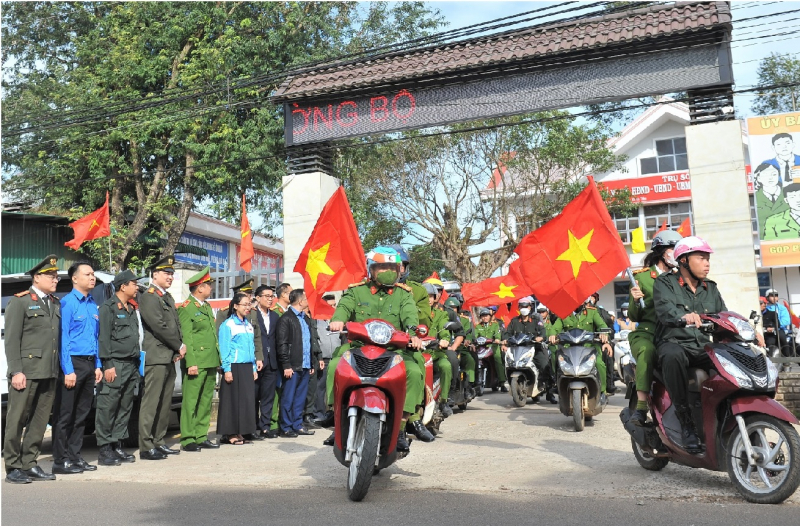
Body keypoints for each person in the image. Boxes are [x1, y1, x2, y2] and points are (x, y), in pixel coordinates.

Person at [323, 247, 424, 450]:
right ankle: (335, 416)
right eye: (382, 267)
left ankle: (402, 427)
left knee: (413, 371)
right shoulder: (356, 290)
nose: (388, 271)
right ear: (371, 269)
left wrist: (414, 332)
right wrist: (338, 320)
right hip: (359, 346)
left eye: (392, 267)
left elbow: (409, 314)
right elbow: (344, 307)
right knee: (335, 364)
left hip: (394, 350)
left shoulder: (403, 295)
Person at [653, 236, 726, 453]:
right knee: (672, 355)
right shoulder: (665, 283)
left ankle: (727, 417)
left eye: (708, 259)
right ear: (684, 260)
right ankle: (686, 422)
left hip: (702, 347)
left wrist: (748, 330)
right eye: (701, 258)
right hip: (675, 342)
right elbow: (666, 311)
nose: (707, 263)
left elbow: (723, 315)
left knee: (729, 359)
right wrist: (684, 316)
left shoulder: (710, 288)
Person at [3, 255, 61, 483]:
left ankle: (29, 463)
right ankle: (13, 466)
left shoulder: (54, 303)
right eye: (50, 276)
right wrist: (16, 371)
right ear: (37, 277)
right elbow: (12, 340)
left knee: (39, 421)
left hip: (49, 370)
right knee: (16, 420)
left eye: (56, 276)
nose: (55, 279)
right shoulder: (20, 301)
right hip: (26, 372)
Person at [626, 229, 683, 426]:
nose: (676, 254)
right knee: (647, 351)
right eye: (672, 249)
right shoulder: (642, 278)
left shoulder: (680, 278)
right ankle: (641, 407)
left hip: (674, 331)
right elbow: (634, 316)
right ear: (661, 252)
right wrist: (634, 300)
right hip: (648, 333)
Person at [52, 261, 102, 475]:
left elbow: (95, 338)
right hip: (72, 363)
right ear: (74, 278)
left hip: (89, 364)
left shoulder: (92, 304)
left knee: (82, 415)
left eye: (93, 274)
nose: (92, 277)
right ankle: (60, 460)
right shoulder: (67, 303)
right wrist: (68, 369)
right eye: (88, 274)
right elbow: (62, 339)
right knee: (65, 415)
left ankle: (75, 456)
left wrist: (98, 365)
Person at [138, 255, 185, 460]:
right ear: (154, 274)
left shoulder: (167, 297)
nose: (170, 277)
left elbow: (175, 325)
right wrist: (178, 345)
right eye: (167, 273)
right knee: (151, 403)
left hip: (168, 356)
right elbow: (159, 326)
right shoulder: (149, 297)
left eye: (172, 274)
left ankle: (158, 440)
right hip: (156, 355)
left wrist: (176, 350)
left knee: (164, 402)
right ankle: (146, 445)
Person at [95, 269, 143, 467]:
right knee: (108, 406)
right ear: (123, 286)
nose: (137, 286)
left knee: (125, 406)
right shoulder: (108, 308)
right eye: (134, 283)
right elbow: (104, 338)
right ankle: (105, 448)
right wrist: (107, 364)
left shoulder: (131, 308)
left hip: (131, 365)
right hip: (115, 364)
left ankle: (117, 444)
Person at [177, 266, 221, 452]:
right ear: (199, 288)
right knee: (191, 401)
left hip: (210, 360)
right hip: (197, 361)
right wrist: (191, 362)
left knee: (205, 401)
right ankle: (188, 438)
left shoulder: (206, 306)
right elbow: (187, 338)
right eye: (208, 285)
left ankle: (201, 435)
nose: (211, 288)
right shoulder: (186, 309)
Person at [276, 289, 323, 437]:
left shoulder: (305, 319)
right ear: (300, 301)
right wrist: (286, 365)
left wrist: (310, 363)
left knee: (300, 398)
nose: (308, 301)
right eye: (306, 298)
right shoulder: (286, 319)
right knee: (288, 397)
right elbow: (282, 344)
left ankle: (297, 424)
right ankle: (286, 426)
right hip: (292, 366)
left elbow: (309, 342)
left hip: (305, 364)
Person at [548, 297, 612, 398]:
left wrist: (604, 334)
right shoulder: (564, 314)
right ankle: (558, 384)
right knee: (557, 360)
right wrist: (552, 335)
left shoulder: (592, 313)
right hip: (568, 347)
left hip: (589, 347)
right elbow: (554, 328)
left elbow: (602, 325)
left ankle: (602, 391)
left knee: (599, 363)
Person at [217, 292, 258, 445]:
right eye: (245, 304)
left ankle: (242, 431)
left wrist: (253, 367)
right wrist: (226, 369)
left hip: (247, 366)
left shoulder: (248, 325)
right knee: (232, 401)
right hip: (234, 366)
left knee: (246, 401)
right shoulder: (228, 324)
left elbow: (252, 347)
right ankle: (230, 433)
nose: (248, 307)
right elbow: (225, 347)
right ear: (235, 306)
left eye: (249, 304)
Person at [503, 296, 553, 403]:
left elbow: (542, 331)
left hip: (535, 348)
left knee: (545, 365)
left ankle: (549, 391)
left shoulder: (536, 320)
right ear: (518, 307)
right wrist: (504, 341)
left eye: (526, 306)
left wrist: (540, 337)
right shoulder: (514, 321)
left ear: (530, 307)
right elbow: (507, 333)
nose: (523, 308)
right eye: (521, 306)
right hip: (518, 349)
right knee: (508, 363)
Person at [252, 284, 280, 439]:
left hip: (272, 361)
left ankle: (265, 426)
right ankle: (253, 427)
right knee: (254, 395)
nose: (270, 299)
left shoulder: (275, 316)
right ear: (258, 298)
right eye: (267, 296)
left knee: (268, 396)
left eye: (272, 296)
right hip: (257, 361)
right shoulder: (252, 315)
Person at [423, 282, 453, 419]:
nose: (428, 299)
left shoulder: (440, 315)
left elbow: (444, 329)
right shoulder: (413, 313)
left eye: (431, 296)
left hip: (435, 353)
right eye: (425, 296)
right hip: (417, 354)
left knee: (446, 365)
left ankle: (444, 401)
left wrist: (445, 339)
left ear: (435, 298)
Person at [311, 294, 339, 422]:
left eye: (335, 305)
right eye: (330, 305)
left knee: (335, 388)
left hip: (338, 358)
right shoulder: (316, 320)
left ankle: (333, 414)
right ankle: (319, 413)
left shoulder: (338, 320)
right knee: (320, 387)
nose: (333, 307)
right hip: (324, 359)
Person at [473, 307, 506, 392]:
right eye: (483, 316)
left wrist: (497, 339)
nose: (485, 318)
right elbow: (475, 336)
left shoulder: (495, 325)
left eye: (486, 316)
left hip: (493, 347)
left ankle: (502, 383)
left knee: (497, 359)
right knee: (476, 360)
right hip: (482, 347)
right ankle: (474, 382)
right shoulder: (478, 326)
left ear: (490, 316)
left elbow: (497, 335)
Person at [752, 162, 788, 236]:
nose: (770, 177)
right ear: (758, 178)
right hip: (765, 239)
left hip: (791, 237)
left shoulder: (789, 194)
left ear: (778, 176)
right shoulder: (755, 198)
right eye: (765, 175)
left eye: (774, 174)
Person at [763, 288, 792, 356]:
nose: (774, 298)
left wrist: (775, 326)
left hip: (780, 329)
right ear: (767, 297)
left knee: (784, 342)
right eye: (772, 296)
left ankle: (787, 361)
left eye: (776, 296)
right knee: (769, 344)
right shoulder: (764, 308)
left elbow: (786, 320)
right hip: (767, 331)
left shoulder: (781, 308)